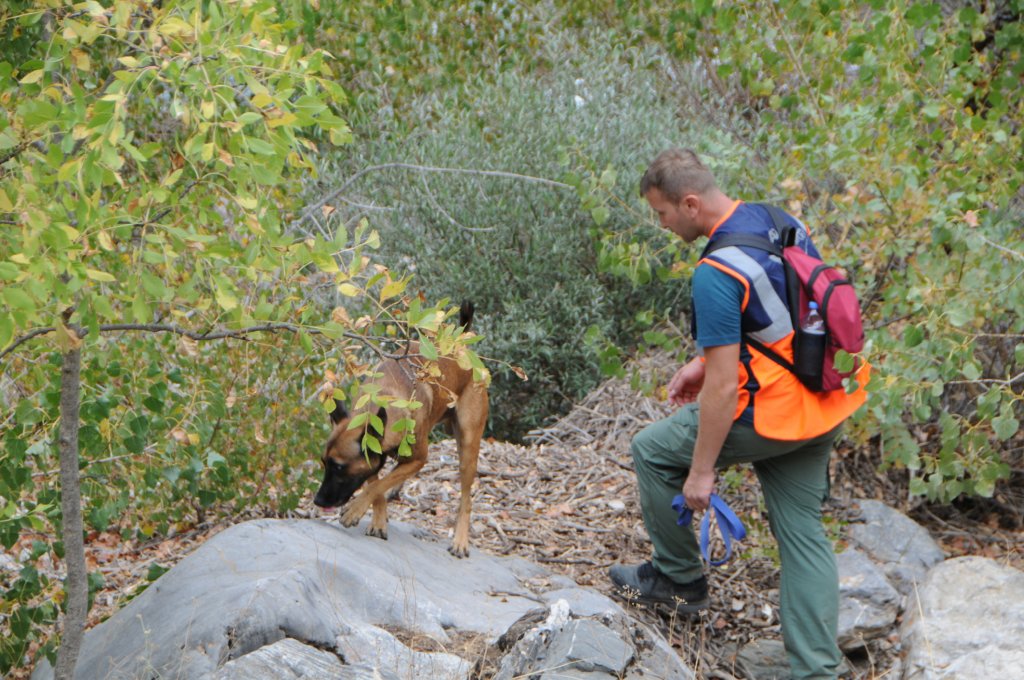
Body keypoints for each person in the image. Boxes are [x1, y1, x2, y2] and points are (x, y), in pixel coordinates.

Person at [609, 148, 869, 680]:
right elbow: (791, 310)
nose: (661, 225)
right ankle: (817, 671)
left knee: (653, 451)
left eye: (661, 214)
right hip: (825, 397)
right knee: (802, 532)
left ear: (689, 203)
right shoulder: (776, 218)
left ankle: (679, 579)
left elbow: (725, 391)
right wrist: (702, 360)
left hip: (769, 412)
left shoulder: (714, 272)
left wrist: (702, 471)